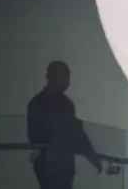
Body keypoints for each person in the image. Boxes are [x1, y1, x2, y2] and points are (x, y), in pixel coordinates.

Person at [27, 60, 103, 189]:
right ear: (51, 77)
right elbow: (77, 135)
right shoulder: (58, 104)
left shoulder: (41, 103)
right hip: (55, 164)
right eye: (63, 76)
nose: (67, 80)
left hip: (58, 163)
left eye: (67, 76)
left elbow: (76, 134)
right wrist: (93, 158)